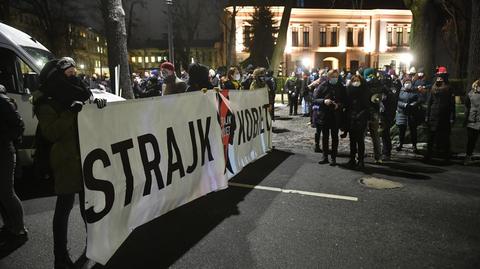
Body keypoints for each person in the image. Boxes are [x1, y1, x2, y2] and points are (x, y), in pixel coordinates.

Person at [33, 57, 106, 268]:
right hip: (65, 160)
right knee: (64, 208)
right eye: (69, 73)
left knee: (88, 206)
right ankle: (60, 256)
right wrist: (69, 113)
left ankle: (94, 245)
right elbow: (51, 132)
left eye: (75, 71)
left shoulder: (80, 93)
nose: (74, 76)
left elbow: (88, 111)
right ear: (56, 76)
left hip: (85, 156)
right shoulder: (45, 100)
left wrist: (97, 106)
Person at [0, 84, 27, 258]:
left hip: (3, 151)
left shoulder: (2, 101)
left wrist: (5, 139)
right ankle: (10, 225)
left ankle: (19, 228)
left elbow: (19, 125)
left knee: (6, 192)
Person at [312, 70, 346, 166]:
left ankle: (333, 158)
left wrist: (338, 105)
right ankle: (325, 156)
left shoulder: (341, 87)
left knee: (335, 137)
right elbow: (314, 99)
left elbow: (345, 101)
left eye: (336, 76)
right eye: (333, 76)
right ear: (329, 77)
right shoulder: (323, 86)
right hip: (324, 115)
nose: (334, 78)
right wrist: (324, 101)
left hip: (335, 116)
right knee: (325, 137)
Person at [425, 72, 455, 162]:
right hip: (433, 116)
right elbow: (429, 103)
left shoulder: (449, 89)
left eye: (441, 78)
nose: (439, 80)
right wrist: (427, 115)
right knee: (431, 137)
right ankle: (428, 155)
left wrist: (452, 117)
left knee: (444, 137)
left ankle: (446, 155)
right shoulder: (433, 88)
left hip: (444, 117)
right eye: (438, 78)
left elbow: (452, 104)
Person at [344, 75, 370, 169]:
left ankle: (361, 160)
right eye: (354, 80)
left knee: (360, 141)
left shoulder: (364, 91)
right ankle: (352, 159)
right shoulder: (349, 91)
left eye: (357, 80)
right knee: (352, 141)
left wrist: (360, 115)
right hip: (351, 118)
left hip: (361, 119)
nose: (356, 82)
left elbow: (367, 107)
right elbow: (347, 105)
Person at [396, 77, 421, 152]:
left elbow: (419, 100)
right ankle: (400, 144)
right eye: (406, 82)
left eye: (409, 82)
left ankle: (414, 145)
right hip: (402, 113)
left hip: (412, 113)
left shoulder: (414, 91)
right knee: (401, 130)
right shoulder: (400, 91)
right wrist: (404, 105)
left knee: (413, 130)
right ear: (403, 84)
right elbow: (397, 101)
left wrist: (414, 104)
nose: (408, 84)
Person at [364, 68, 383, 163]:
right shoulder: (379, 84)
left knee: (362, 135)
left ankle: (359, 155)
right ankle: (378, 157)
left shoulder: (364, 85)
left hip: (365, 112)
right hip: (375, 112)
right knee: (375, 135)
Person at [379, 74, 398, 160]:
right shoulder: (390, 90)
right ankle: (386, 151)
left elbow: (388, 102)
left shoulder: (388, 91)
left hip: (386, 114)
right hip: (387, 114)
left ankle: (386, 152)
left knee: (385, 133)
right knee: (384, 134)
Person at [464, 79, 480, 165]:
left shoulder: (470, 93)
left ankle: (467, 158)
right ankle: (468, 158)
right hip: (475, 120)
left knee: (471, 141)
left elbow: (466, 105)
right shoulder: (472, 94)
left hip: (472, 120)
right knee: (472, 141)